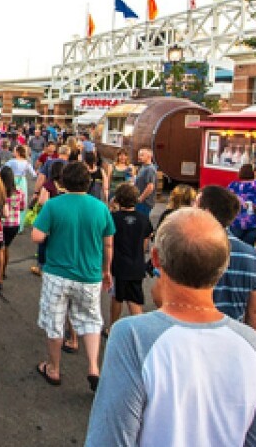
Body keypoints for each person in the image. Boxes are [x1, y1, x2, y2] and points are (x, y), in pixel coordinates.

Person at [85, 208, 256, 446]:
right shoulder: (254, 346)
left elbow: (110, 438)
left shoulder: (132, 336)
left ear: (156, 259)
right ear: (223, 265)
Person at [31, 161, 115, 391]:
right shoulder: (100, 208)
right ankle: (93, 367)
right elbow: (108, 244)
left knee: (55, 321)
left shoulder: (54, 205)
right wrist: (107, 270)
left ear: (62, 182)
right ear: (88, 182)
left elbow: (37, 236)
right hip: (89, 274)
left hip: (58, 272)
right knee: (90, 320)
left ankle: (54, 368)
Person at [197, 185, 256, 333]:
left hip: (191, 333)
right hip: (232, 334)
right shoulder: (251, 256)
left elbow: (161, 297)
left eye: (194, 205)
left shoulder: (188, 248)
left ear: (206, 212)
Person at [107, 183, 153, 336]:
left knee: (117, 297)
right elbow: (145, 242)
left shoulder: (114, 218)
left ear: (118, 199)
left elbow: (109, 243)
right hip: (137, 264)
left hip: (119, 264)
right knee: (135, 299)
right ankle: (140, 331)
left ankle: (112, 327)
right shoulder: (144, 219)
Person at [226, 163, 256, 247]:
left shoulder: (232, 185)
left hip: (236, 222)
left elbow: (226, 203)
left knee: (233, 248)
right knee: (248, 248)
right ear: (254, 172)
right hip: (254, 223)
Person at [0, 165, 25, 287]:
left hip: (2, 223)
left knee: (0, 248)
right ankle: (3, 271)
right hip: (14, 224)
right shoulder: (19, 191)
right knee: (6, 247)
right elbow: (22, 207)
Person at [133, 148, 157, 218]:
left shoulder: (150, 169)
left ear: (149, 156)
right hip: (139, 201)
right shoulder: (143, 167)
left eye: (142, 155)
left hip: (144, 202)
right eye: (139, 155)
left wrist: (140, 199)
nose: (139, 157)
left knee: (142, 220)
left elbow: (150, 186)